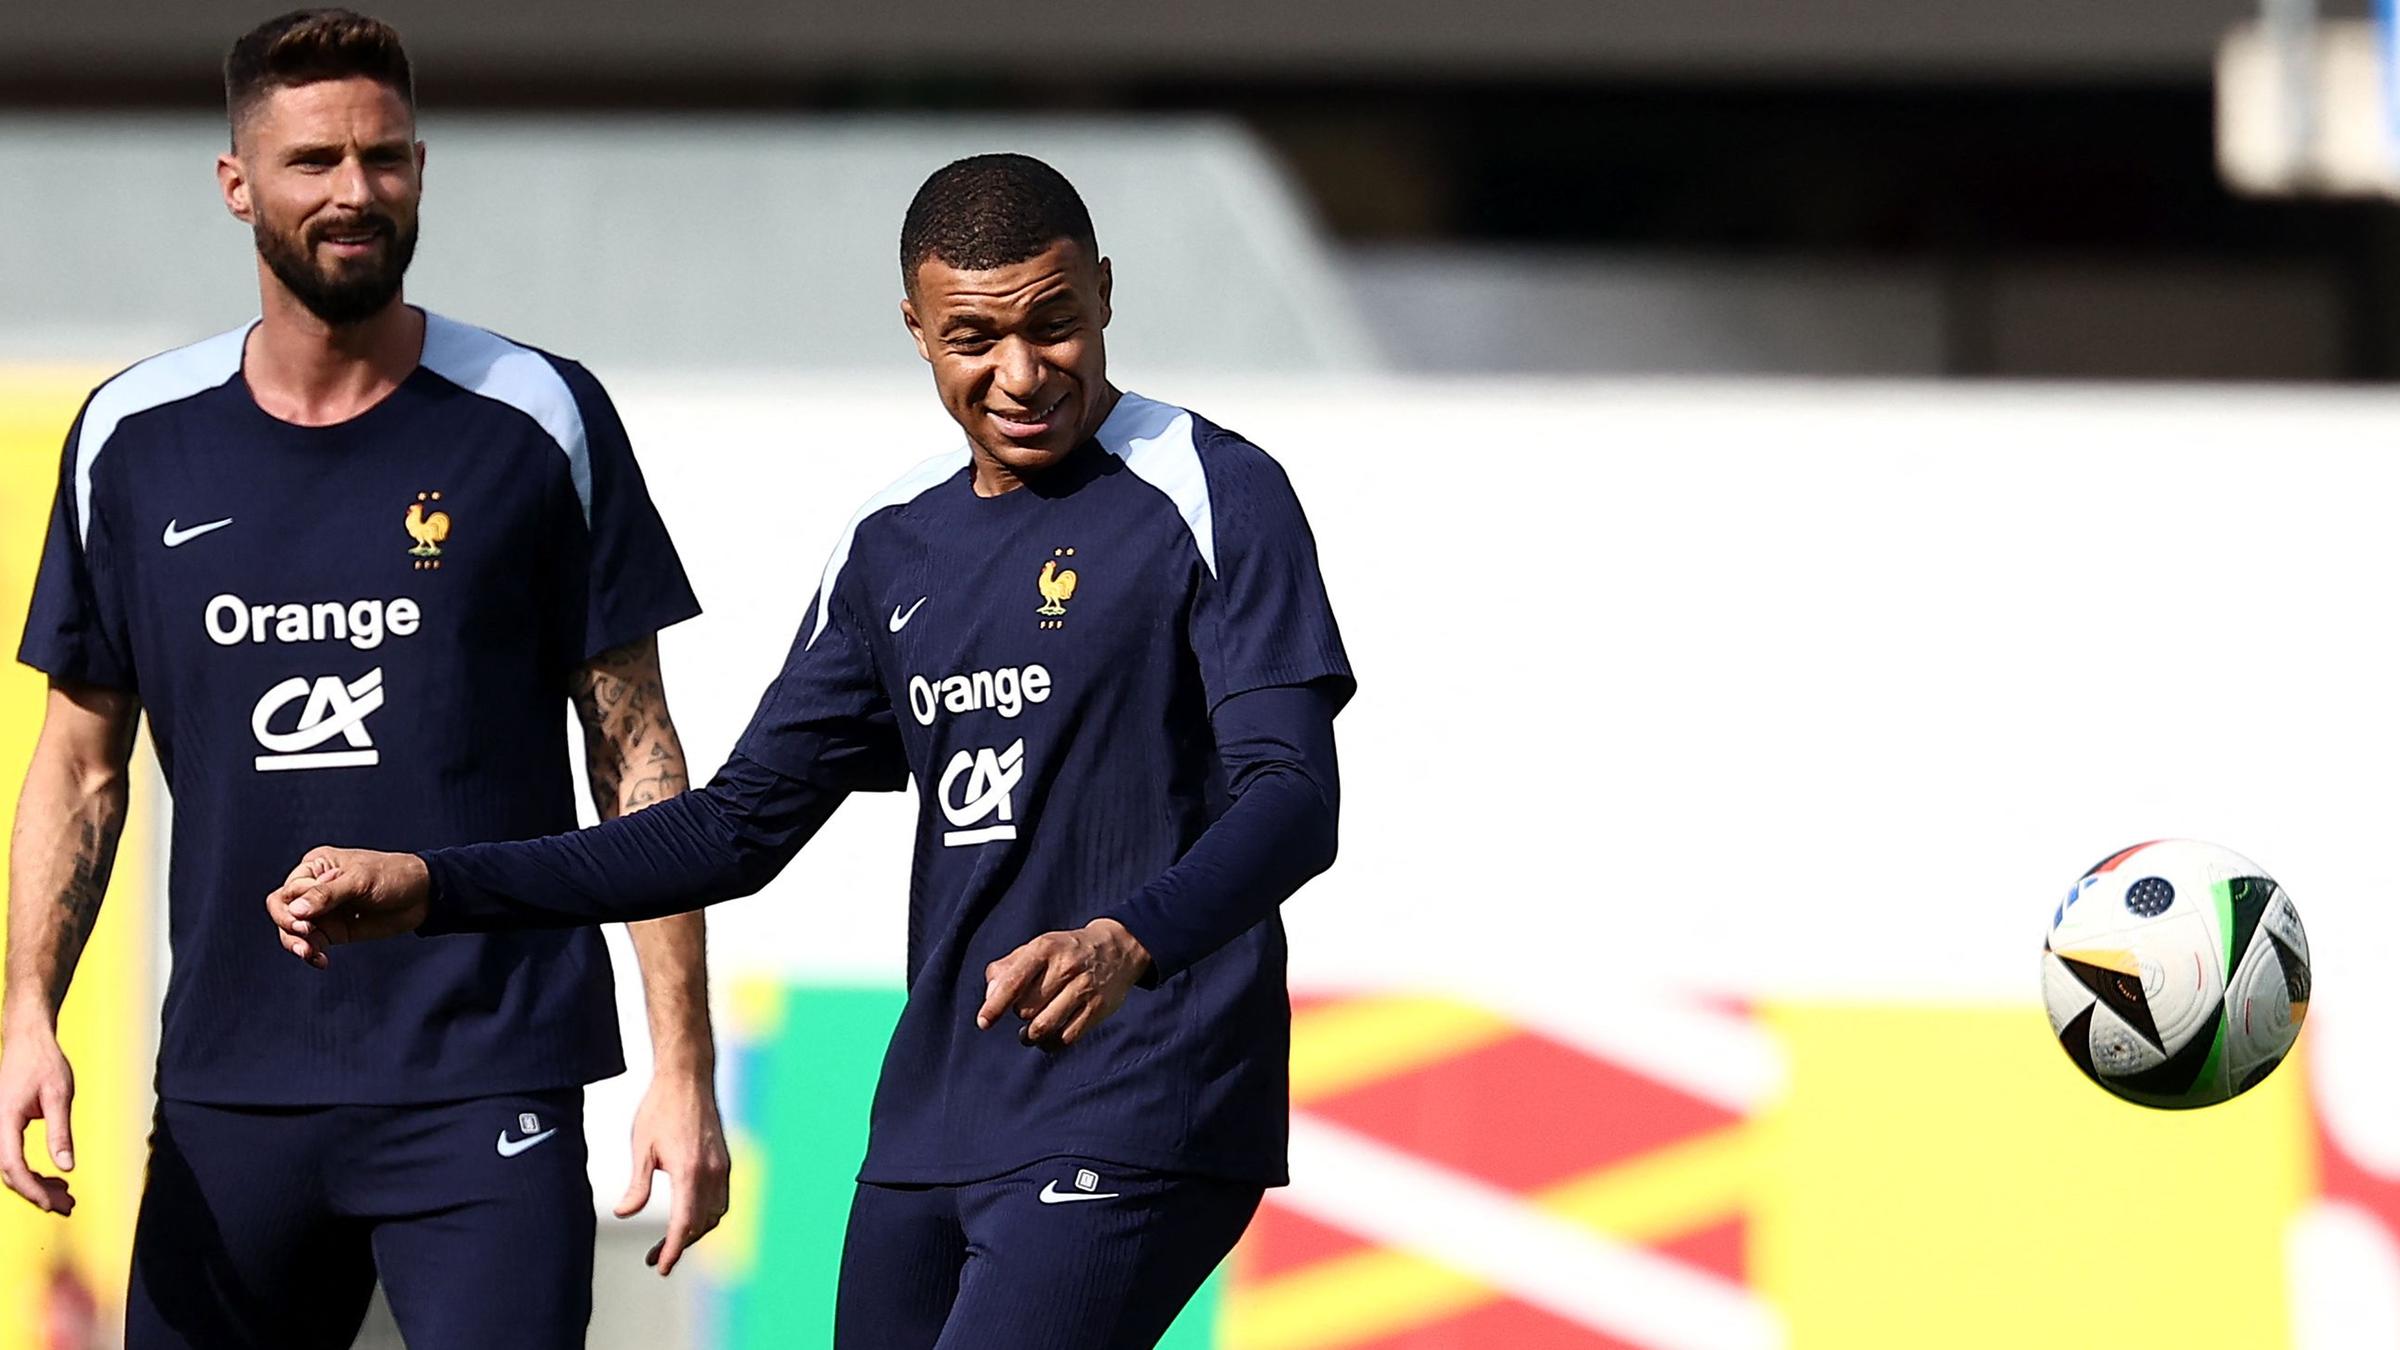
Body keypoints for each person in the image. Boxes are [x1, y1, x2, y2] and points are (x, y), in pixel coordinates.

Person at [268, 151, 1354, 1348]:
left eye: (1055, 323)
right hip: (932, 1124)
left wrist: (1125, 942)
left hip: (1144, 1092)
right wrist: (433, 886)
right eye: (974, 338)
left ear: (1103, 291)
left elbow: (1294, 796)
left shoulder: (1211, 489)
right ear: (916, 329)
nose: (1023, 371)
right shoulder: (894, 544)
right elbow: (734, 828)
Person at [1, 10, 730, 1347]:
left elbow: (637, 754)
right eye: (314, 161)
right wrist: (27, 1013)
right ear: (237, 183)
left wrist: (682, 1064)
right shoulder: (132, 440)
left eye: (385, 158)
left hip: (487, 1076)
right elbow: (80, 765)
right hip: (232, 1087)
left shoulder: (540, 416)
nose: (354, 193)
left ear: (421, 167)